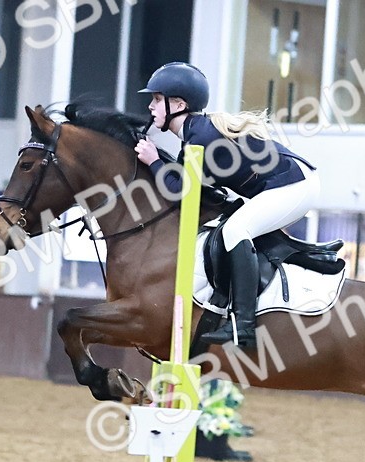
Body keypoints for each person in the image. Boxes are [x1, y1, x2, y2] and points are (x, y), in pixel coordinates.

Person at [133, 62, 320, 349]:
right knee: (231, 225)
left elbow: (181, 192)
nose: (150, 106)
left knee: (235, 231)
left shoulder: (201, 136)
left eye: (157, 99)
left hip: (293, 184)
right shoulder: (196, 133)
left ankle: (243, 326)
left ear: (179, 104)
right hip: (286, 183)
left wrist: (154, 161)